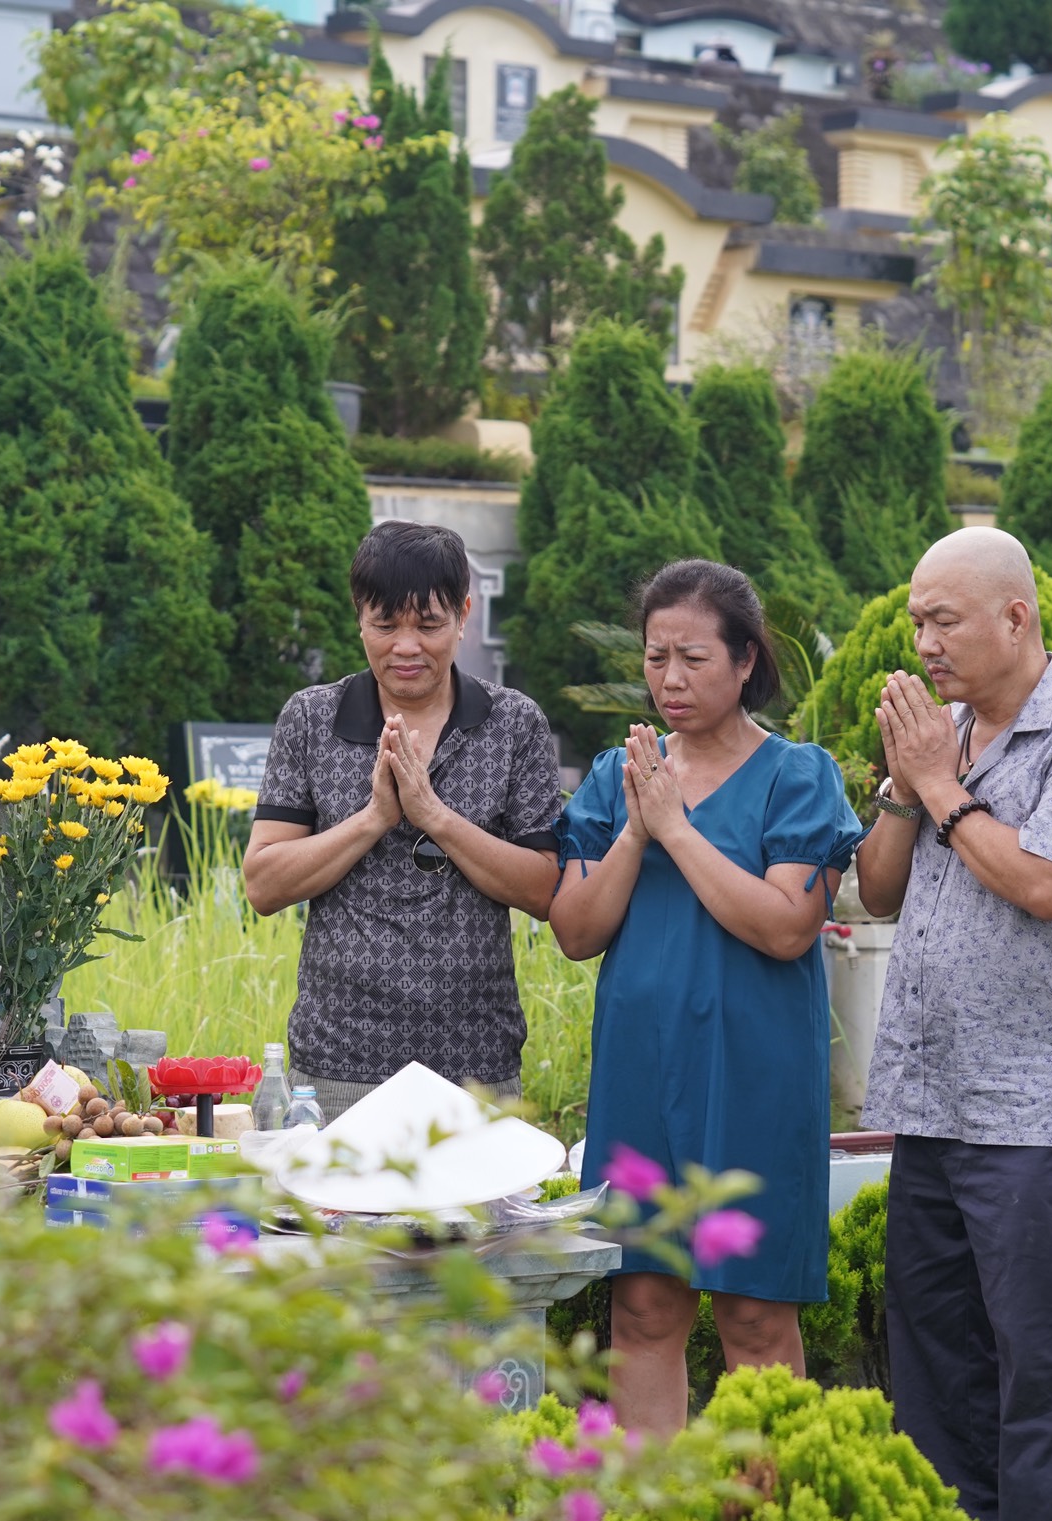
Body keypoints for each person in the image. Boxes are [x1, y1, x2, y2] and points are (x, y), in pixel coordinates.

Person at [857, 526, 1052, 1521]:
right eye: (916, 621)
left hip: (1035, 1113)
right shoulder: (949, 735)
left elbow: (1045, 884)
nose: (924, 642)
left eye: (943, 619)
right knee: (934, 1358)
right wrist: (905, 779)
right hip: (933, 1101)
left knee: (1040, 1367)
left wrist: (940, 785)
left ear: (1015, 617)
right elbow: (878, 887)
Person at [550, 559, 862, 1437]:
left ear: (746, 661)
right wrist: (635, 830)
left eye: (693, 658)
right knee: (642, 1309)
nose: (671, 681)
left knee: (755, 1315)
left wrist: (676, 831)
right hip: (641, 1073)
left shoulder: (797, 776)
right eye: (656, 659)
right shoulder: (619, 776)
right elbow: (577, 931)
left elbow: (783, 927)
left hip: (753, 1077)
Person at [243, 521, 563, 1122]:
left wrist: (435, 817)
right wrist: (373, 819)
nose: (406, 647)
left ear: (465, 614)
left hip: (476, 1068)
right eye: (385, 625)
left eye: (429, 624)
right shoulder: (313, 717)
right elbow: (263, 883)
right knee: (339, 1220)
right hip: (338, 1064)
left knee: (474, 1221)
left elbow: (546, 889)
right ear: (359, 616)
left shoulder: (514, 723)